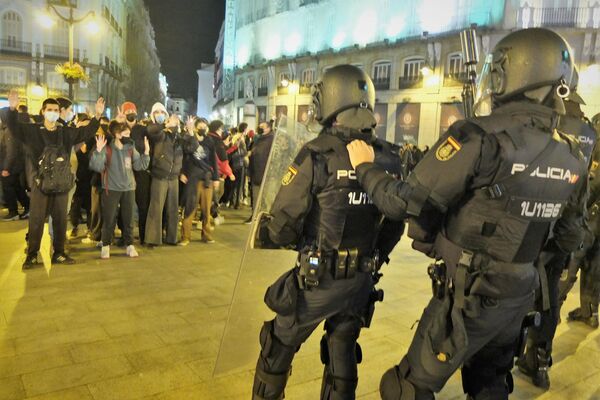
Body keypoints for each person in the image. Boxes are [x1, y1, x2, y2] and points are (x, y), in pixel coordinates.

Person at [346, 28, 588, 399]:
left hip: (469, 297)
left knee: (403, 388)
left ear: (518, 72)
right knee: (489, 385)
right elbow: (571, 237)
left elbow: (401, 201)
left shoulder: (480, 136)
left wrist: (365, 168)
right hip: (520, 294)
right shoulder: (573, 153)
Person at [251, 64, 404, 400]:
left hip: (316, 282)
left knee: (276, 347)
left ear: (331, 100)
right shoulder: (388, 159)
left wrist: (278, 236)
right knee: (342, 350)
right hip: (359, 281)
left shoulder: (317, 153)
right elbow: (395, 222)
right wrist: (373, 257)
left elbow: (283, 221)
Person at [517, 83, 598, 389]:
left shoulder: (547, 122)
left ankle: (499, 354)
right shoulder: (589, 133)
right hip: (568, 229)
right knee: (550, 297)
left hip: (535, 225)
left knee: (514, 293)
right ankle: (538, 360)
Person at [5, 91, 104, 268]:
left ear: (59, 112)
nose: (53, 112)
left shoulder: (65, 132)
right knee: (36, 220)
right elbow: (14, 127)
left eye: (56, 109)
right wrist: (12, 109)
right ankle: (32, 255)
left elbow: (85, 132)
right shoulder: (33, 130)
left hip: (61, 182)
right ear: (43, 111)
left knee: (59, 219)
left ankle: (59, 252)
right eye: (49, 109)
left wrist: (97, 115)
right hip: (40, 183)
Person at [89, 120, 150, 259]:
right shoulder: (107, 148)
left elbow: (139, 165)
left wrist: (146, 153)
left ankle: (130, 245)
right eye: (126, 133)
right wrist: (98, 151)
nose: (129, 136)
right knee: (109, 218)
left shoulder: (130, 148)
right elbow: (97, 167)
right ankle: (105, 245)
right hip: (111, 189)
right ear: (117, 134)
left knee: (128, 219)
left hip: (129, 188)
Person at [145, 109, 183, 247]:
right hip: (160, 174)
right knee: (156, 207)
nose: (175, 122)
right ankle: (152, 239)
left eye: (176, 120)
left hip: (174, 176)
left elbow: (191, 147)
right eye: (173, 120)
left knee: (173, 209)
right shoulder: (161, 133)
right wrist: (165, 125)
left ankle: (172, 238)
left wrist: (190, 131)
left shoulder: (180, 136)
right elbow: (150, 131)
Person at [180, 117, 219, 245]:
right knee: (190, 207)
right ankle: (185, 236)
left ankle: (206, 235)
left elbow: (214, 160)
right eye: (200, 126)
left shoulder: (210, 141)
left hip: (207, 178)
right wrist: (182, 173)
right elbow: (185, 155)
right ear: (195, 127)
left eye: (204, 126)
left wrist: (216, 178)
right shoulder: (188, 139)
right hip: (192, 178)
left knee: (206, 209)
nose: (202, 129)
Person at [122, 101, 152, 244]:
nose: (130, 114)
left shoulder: (142, 129)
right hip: (124, 172)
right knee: (125, 205)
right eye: (127, 112)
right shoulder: (119, 128)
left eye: (132, 111)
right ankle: (125, 236)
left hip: (141, 171)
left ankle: (143, 235)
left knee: (142, 205)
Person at [0, 108, 29, 221]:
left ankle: (13, 212)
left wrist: (6, 168)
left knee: (9, 189)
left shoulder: (9, 131)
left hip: (10, 167)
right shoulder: (9, 129)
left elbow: (11, 151)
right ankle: (28, 207)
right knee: (17, 187)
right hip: (13, 166)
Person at [69, 114, 94, 237]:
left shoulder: (93, 139)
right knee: (75, 205)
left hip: (90, 177)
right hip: (77, 178)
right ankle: (75, 226)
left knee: (90, 206)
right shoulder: (75, 139)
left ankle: (90, 228)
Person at [246, 120, 274, 223]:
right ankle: (255, 216)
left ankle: (263, 218)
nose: (259, 128)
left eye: (262, 127)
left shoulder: (272, 139)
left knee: (265, 198)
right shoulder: (258, 139)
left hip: (265, 173)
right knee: (255, 197)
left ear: (268, 128)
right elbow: (254, 151)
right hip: (255, 172)